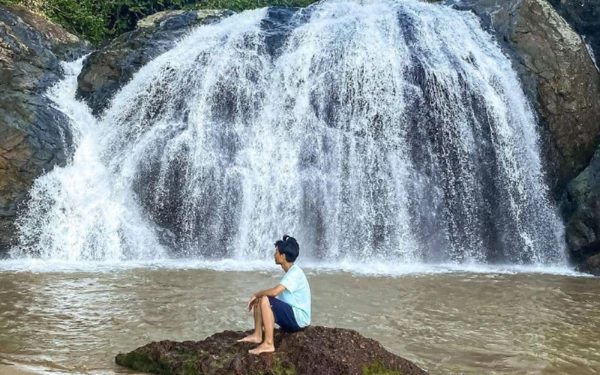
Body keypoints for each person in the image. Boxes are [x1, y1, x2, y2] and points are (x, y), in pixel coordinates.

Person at [237, 235, 311, 354]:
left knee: (265, 298)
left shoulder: (295, 273)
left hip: (299, 320)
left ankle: (269, 344)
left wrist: (256, 294)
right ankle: (257, 335)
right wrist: (258, 298)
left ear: (283, 256)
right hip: (291, 317)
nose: (274, 254)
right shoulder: (291, 272)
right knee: (262, 299)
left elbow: (275, 292)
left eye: (276, 252)